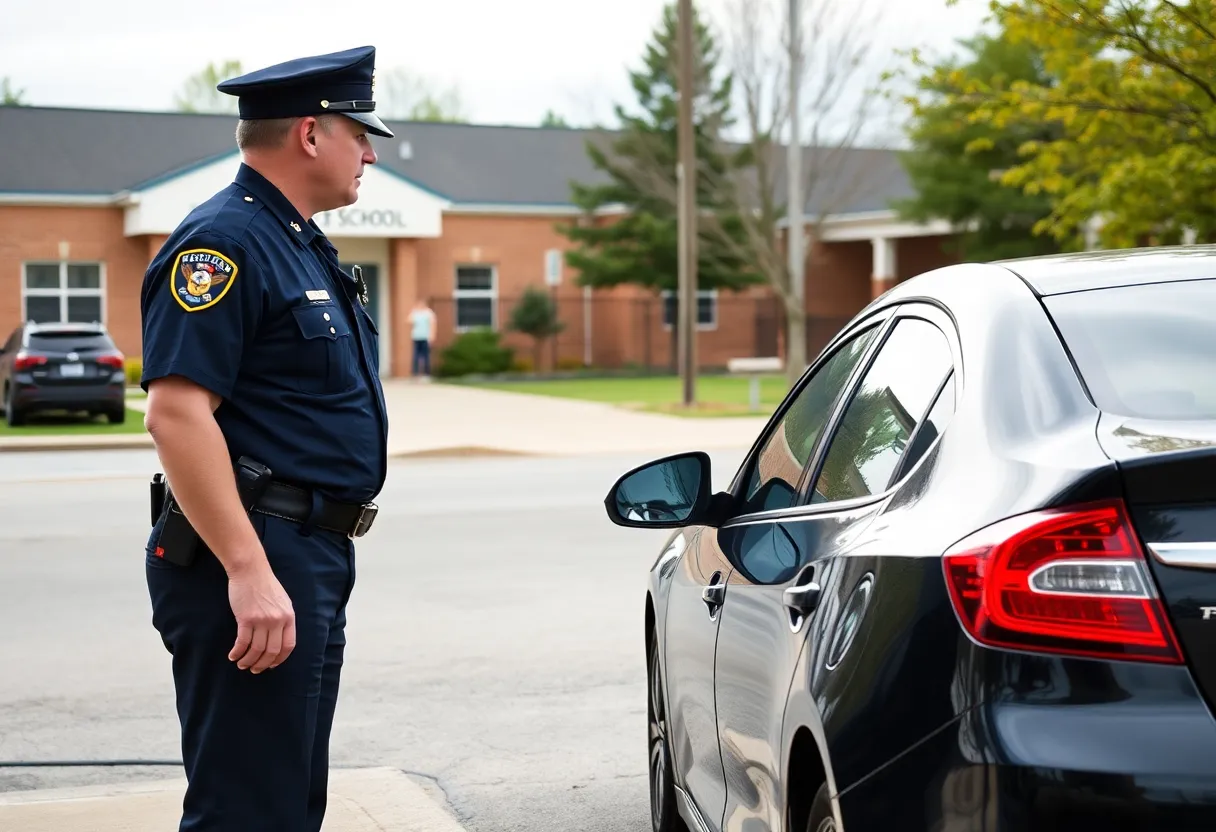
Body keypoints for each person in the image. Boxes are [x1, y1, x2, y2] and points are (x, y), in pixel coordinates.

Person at [139, 45, 392, 832]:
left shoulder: (295, 241)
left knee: (284, 803)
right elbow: (175, 413)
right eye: (360, 134)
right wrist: (247, 570)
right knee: (248, 810)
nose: (371, 153)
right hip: (253, 552)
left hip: (302, 551)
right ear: (311, 135)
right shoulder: (225, 243)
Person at [408, 297, 436, 378]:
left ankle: (426, 373)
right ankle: (415, 373)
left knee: (425, 356)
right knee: (416, 355)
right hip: (416, 336)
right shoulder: (415, 313)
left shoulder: (428, 313)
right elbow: (408, 321)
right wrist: (413, 310)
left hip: (425, 337)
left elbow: (433, 324)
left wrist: (432, 336)